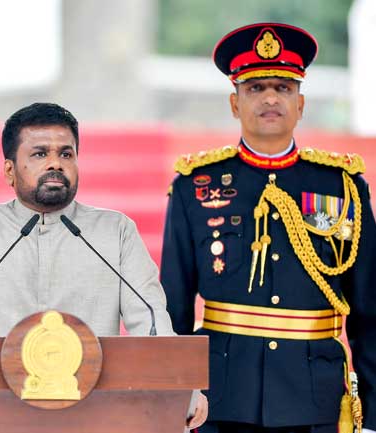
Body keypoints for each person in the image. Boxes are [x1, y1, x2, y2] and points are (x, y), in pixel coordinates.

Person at [0, 102, 207, 429]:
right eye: (39, 154)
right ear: (9, 170)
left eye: (66, 154)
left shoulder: (114, 231)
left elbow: (150, 319)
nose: (55, 163)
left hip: (95, 417)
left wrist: (182, 389)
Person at [161, 23, 376, 433]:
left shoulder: (342, 186)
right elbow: (174, 305)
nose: (271, 98)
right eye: (256, 88)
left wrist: (373, 414)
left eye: (283, 87)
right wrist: (171, 402)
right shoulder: (195, 187)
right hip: (221, 399)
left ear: (301, 103)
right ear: (234, 103)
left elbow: (370, 309)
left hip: (315, 399)